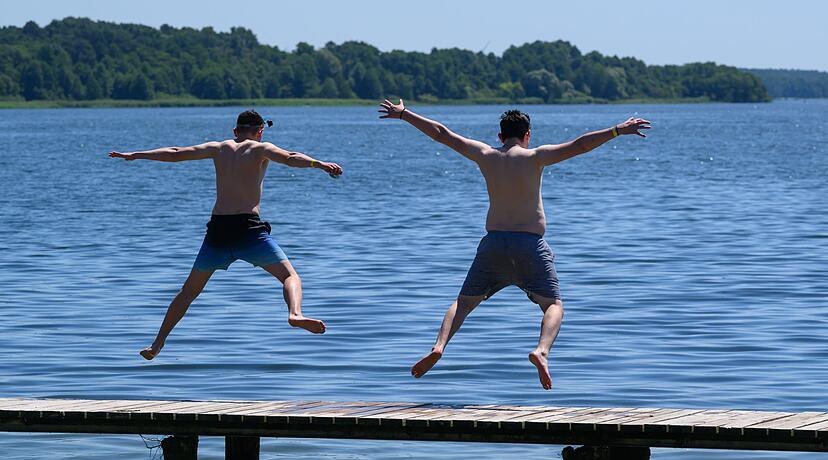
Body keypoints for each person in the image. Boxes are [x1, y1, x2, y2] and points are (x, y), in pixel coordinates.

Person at [378, 99, 650, 389]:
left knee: (464, 303)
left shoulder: (485, 154)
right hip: (530, 246)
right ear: (528, 134)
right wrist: (617, 131)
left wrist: (405, 114)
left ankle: (439, 346)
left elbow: (442, 134)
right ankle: (541, 351)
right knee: (553, 305)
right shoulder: (536, 156)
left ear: (500, 136)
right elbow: (580, 145)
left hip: (493, 244)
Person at [109, 110, 343, 360]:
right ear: (260, 132)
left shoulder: (218, 148)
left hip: (218, 232)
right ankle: (295, 313)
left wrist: (136, 155)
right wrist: (318, 164)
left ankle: (156, 344)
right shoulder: (261, 149)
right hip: (248, 231)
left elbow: (176, 153)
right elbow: (290, 157)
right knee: (289, 276)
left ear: (235, 131)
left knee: (188, 293)